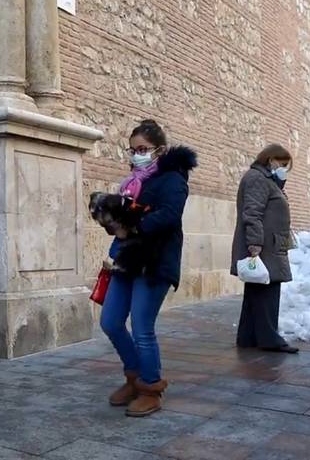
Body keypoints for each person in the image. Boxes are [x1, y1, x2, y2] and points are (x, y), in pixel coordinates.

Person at [101, 120, 197, 417]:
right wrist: (110, 218)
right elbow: (125, 218)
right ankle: (134, 377)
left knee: (142, 327)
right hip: (126, 259)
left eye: (143, 149)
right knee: (110, 321)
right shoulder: (133, 182)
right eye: (132, 150)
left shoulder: (173, 179)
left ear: (160, 150)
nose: (136, 155)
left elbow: (169, 216)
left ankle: (150, 388)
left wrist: (132, 226)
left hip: (155, 262)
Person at [231, 144, 299, 353]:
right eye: (282, 164)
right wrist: (255, 243)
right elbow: (252, 213)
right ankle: (270, 339)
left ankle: (248, 337)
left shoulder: (265, 179)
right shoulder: (258, 179)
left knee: (256, 291)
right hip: (264, 246)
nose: (284, 169)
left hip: (269, 244)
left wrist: (279, 182)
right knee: (267, 293)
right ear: (271, 160)